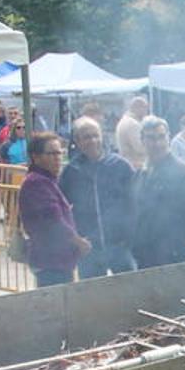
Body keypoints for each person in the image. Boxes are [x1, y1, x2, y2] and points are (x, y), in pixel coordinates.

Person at [59, 117, 137, 280]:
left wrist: (131, 235)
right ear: (78, 141)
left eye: (96, 135)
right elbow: (61, 208)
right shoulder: (72, 170)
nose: (93, 141)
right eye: (87, 137)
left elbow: (136, 202)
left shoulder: (120, 165)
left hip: (119, 245)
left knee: (131, 289)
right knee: (91, 295)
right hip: (89, 249)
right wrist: (75, 238)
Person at [20, 132, 90, 287]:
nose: (57, 158)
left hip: (58, 258)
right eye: (51, 153)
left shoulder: (48, 180)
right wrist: (78, 241)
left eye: (60, 153)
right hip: (50, 259)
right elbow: (53, 219)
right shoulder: (36, 183)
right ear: (36, 157)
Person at [132, 116, 185, 268]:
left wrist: (178, 249)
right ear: (142, 140)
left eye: (161, 137)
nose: (157, 143)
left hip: (170, 256)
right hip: (143, 254)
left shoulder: (182, 173)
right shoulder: (140, 173)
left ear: (168, 138)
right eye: (151, 138)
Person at [115, 96, 149, 169]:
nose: (146, 112)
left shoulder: (123, 121)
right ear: (137, 107)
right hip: (136, 165)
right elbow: (140, 148)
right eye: (145, 108)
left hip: (127, 163)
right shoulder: (133, 124)